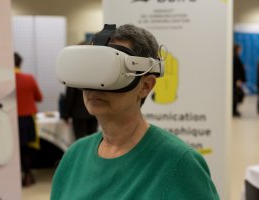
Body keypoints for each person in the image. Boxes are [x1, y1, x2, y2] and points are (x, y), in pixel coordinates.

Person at [50, 24, 219, 199]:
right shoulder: (74, 156)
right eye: (90, 71)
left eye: (109, 72)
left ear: (145, 86)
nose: (95, 88)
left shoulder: (179, 163)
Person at [14, 52, 43, 187]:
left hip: (10, 121)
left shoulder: (4, 80)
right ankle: (28, 175)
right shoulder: (28, 78)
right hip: (26, 119)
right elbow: (39, 98)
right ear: (20, 63)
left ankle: (14, 177)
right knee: (26, 149)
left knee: (14, 150)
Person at [233, 44, 246, 117]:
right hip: (236, 81)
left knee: (237, 95)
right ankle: (234, 110)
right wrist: (238, 80)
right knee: (236, 95)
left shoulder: (236, 57)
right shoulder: (235, 58)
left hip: (237, 80)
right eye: (240, 49)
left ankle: (234, 109)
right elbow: (236, 70)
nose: (241, 50)